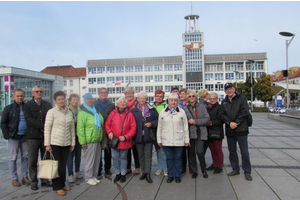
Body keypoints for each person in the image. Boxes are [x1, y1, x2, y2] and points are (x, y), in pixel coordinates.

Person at [44, 91, 75, 196]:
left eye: (62, 99)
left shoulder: (69, 112)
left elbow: (72, 128)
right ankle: (56, 186)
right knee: (56, 166)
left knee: (63, 165)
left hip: (66, 142)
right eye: (59, 99)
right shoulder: (51, 112)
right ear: (55, 101)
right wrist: (47, 144)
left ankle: (62, 183)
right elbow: (47, 128)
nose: (61, 101)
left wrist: (72, 142)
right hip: (55, 142)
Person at [221, 83, 252, 181]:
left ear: (234, 89)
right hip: (230, 130)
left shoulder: (242, 99)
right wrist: (229, 123)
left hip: (241, 129)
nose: (229, 91)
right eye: (227, 89)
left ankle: (247, 171)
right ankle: (235, 169)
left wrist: (236, 123)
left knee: (244, 152)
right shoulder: (224, 101)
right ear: (225, 91)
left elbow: (244, 112)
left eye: (230, 88)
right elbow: (222, 114)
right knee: (232, 151)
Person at [23, 85, 52, 191]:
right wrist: (43, 126)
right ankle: (34, 181)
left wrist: (46, 128)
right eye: (37, 91)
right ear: (33, 93)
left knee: (45, 159)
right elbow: (28, 119)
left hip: (45, 136)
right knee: (32, 160)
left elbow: (50, 118)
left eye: (40, 91)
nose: (39, 93)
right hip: (33, 136)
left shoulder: (47, 105)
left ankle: (45, 180)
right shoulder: (28, 105)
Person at [1, 88, 31, 187]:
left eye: (21, 95)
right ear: (13, 96)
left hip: (25, 136)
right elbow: (3, 123)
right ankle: (14, 178)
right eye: (18, 96)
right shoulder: (8, 108)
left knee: (25, 157)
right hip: (14, 136)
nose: (20, 97)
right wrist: (7, 135)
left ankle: (24, 176)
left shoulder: (27, 107)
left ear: (24, 96)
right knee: (13, 157)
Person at [157, 93, 189, 183]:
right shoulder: (163, 112)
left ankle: (177, 175)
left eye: (175, 100)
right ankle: (170, 175)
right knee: (169, 158)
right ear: (168, 101)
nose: (173, 102)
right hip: (167, 139)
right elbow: (159, 127)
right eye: (171, 100)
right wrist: (159, 139)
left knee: (178, 158)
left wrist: (187, 140)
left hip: (179, 139)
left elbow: (185, 127)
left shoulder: (181, 111)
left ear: (177, 101)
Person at [105, 96, 136, 183]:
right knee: (115, 157)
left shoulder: (130, 114)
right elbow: (107, 124)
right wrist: (109, 132)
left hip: (124, 140)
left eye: (124, 102)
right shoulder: (113, 113)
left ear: (126, 104)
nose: (122, 103)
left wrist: (126, 136)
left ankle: (123, 174)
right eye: (120, 102)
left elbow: (133, 128)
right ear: (117, 104)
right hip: (115, 140)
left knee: (123, 157)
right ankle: (117, 173)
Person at [131, 91, 158, 183]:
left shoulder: (152, 109)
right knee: (141, 155)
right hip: (138, 136)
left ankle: (148, 173)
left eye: (143, 98)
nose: (141, 100)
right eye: (140, 98)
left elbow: (157, 120)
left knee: (148, 155)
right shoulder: (134, 110)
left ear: (146, 99)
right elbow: (131, 124)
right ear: (137, 99)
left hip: (148, 135)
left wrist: (152, 123)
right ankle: (144, 172)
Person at [77, 93, 104, 185]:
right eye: (87, 99)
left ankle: (94, 176)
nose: (90, 100)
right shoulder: (82, 112)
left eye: (91, 99)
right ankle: (88, 177)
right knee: (89, 159)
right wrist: (82, 141)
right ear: (84, 100)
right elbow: (80, 128)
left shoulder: (95, 110)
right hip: (89, 139)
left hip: (97, 138)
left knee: (97, 159)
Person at [183, 90, 210, 179]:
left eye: (193, 96)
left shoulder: (202, 107)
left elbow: (207, 119)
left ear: (196, 97)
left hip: (201, 132)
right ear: (187, 98)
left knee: (199, 151)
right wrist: (188, 121)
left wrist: (196, 121)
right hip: (191, 133)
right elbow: (182, 121)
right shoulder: (185, 109)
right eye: (189, 96)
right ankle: (194, 170)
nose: (191, 98)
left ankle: (203, 170)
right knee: (191, 153)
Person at [94, 88, 115, 176]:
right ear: (99, 94)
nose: (103, 94)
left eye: (105, 92)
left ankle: (107, 168)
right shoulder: (94, 104)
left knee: (108, 150)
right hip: (98, 129)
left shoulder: (111, 104)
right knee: (98, 151)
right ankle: (98, 169)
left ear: (107, 94)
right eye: (102, 92)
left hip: (108, 130)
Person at [206, 92, 224, 174]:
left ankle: (220, 166)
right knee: (212, 150)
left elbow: (221, 120)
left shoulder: (220, 108)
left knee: (218, 150)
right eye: (211, 99)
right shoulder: (209, 107)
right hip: (209, 132)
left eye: (214, 98)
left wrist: (210, 122)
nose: (212, 100)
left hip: (217, 132)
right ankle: (214, 163)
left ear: (217, 99)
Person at [67, 94, 83, 183]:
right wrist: (72, 121)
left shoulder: (80, 109)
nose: (75, 101)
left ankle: (77, 171)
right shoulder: (67, 110)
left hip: (78, 135)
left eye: (76, 100)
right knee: (70, 156)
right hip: (70, 135)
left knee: (78, 155)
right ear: (69, 101)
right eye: (73, 100)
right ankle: (70, 174)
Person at [124, 87, 140, 175]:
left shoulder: (137, 104)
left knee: (135, 150)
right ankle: (128, 167)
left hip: (135, 129)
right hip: (126, 131)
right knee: (127, 150)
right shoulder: (123, 104)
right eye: (127, 94)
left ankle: (137, 167)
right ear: (125, 95)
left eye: (131, 93)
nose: (129, 95)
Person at [152, 89, 168, 177]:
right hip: (154, 131)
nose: (159, 98)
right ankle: (160, 167)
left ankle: (165, 168)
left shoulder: (166, 106)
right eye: (157, 96)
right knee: (158, 150)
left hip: (163, 131)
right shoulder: (152, 106)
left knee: (163, 151)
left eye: (160, 96)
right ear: (155, 97)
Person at [179, 88, 190, 174]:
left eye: (184, 94)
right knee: (182, 151)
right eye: (181, 94)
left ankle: (191, 166)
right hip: (180, 129)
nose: (182, 95)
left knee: (190, 150)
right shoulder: (177, 104)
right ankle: (183, 167)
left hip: (189, 128)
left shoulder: (189, 104)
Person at [198, 89, 211, 156]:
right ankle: (202, 161)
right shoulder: (205, 105)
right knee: (204, 146)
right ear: (206, 95)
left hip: (200, 127)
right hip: (204, 127)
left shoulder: (199, 103)